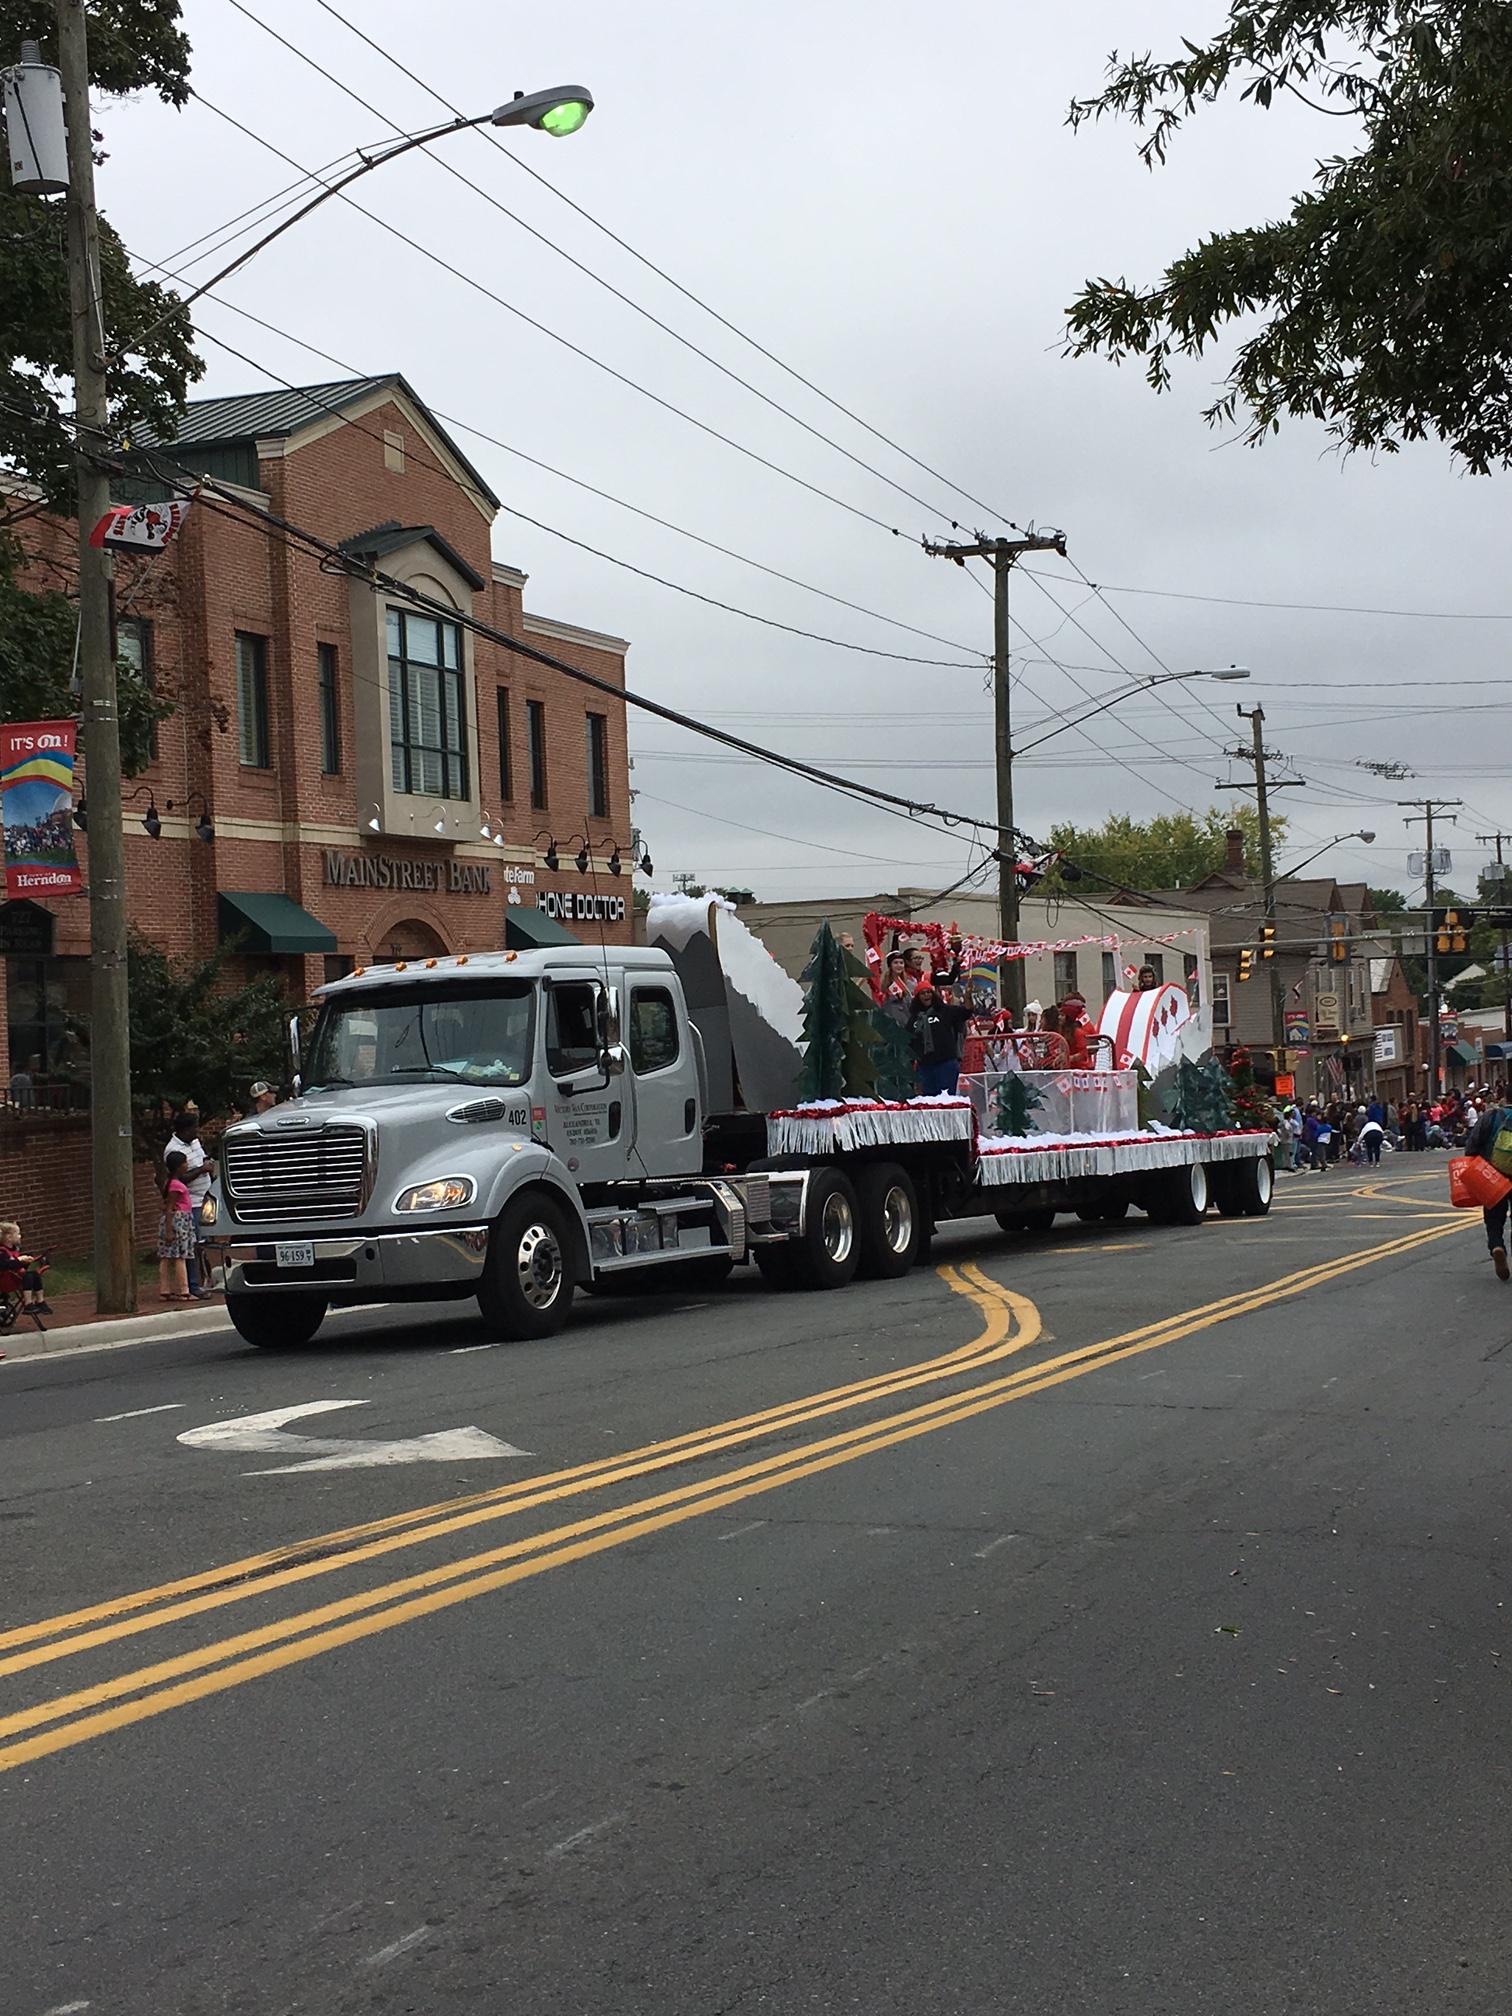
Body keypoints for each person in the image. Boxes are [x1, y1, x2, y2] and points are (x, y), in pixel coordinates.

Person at [165, 1110, 215, 1299]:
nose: (197, 1130)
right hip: (190, 1203)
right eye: (194, 1127)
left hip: (205, 1199)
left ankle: (207, 1279)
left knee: (205, 1243)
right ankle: (193, 1284)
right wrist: (201, 1169)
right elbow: (180, 1178)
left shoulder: (194, 1142)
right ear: (185, 1130)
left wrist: (206, 1166)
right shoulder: (173, 1150)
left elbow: (201, 1161)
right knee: (193, 1245)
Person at [1464, 1099, 1512, 1281]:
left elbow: (1471, 1147)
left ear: (1505, 1099)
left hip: (1493, 1175)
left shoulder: (1491, 1116)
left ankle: (1496, 1245)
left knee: (1493, 1217)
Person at [908, 981, 974, 1096]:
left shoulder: (945, 1010)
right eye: (923, 993)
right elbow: (909, 1042)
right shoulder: (913, 1019)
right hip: (925, 1067)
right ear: (918, 997)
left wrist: (968, 996)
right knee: (929, 1103)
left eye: (929, 992)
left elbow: (966, 1012)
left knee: (947, 1100)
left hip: (946, 1064)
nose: (926, 995)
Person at [157, 1151, 195, 1302]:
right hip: (178, 1221)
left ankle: (165, 1290)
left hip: (177, 1220)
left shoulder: (172, 1183)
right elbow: (170, 1208)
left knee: (167, 1256)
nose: (187, 1165)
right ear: (178, 1167)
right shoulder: (175, 1186)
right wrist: (169, 1230)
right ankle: (183, 1290)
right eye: (185, 1163)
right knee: (180, 1256)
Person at [0, 1220, 50, 1316]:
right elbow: (5, 1265)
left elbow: (16, 1265)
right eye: (18, 1234)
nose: (20, 1236)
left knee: (34, 1274)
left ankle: (40, 1300)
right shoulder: (2, 1252)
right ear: (9, 1238)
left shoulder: (14, 1249)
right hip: (6, 1280)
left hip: (15, 1277)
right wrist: (19, 1261)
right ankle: (28, 1303)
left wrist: (26, 1262)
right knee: (28, 1276)